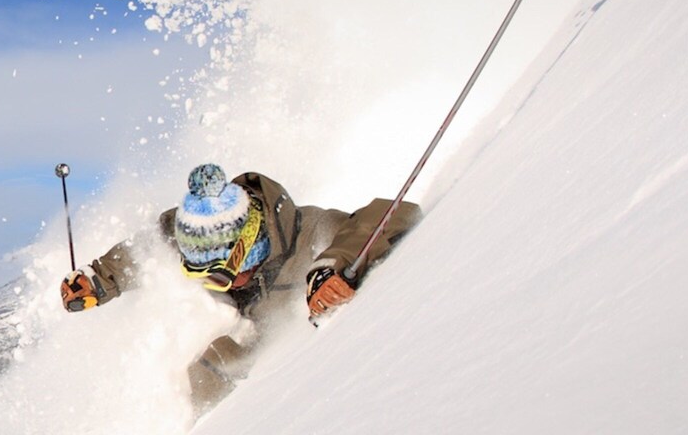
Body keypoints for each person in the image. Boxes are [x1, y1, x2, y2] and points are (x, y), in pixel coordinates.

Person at [58, 163, 422, 410]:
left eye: (218, 275)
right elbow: (146, 250)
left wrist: (330, 268)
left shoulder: (310, 232)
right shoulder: (196, 233)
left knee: (228, 366)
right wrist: (97, 280)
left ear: (248, 248)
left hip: (305, 357)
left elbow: (390, 216)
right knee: (207, 369)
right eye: (200, 275)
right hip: (259, 337)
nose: (216, 286)